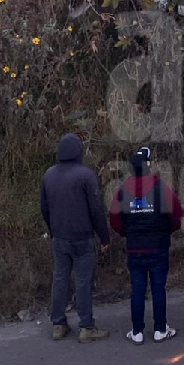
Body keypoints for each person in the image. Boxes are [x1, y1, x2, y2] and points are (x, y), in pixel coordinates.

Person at [108, 146, 184, 344]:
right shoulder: (161, 188)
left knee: (137, 288)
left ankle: (137, 331)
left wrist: (127, 233)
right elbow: (176, 215)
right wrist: (167, 231)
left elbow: (114, 219)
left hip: (135, 248)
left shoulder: (123, 191)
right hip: (158, 247)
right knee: (159, 288)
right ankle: (160, 329)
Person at [40, 132, 110, 343]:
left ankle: (58, 324)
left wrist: (52, 230)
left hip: (59, 237)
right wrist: (104, 236)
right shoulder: (86, 175)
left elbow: (44, 208)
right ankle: (86, 327)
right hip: (83, 237)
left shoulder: (48, 175)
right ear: (78, 152)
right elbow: (96, 209)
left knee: (60, 279)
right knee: (83, 281)